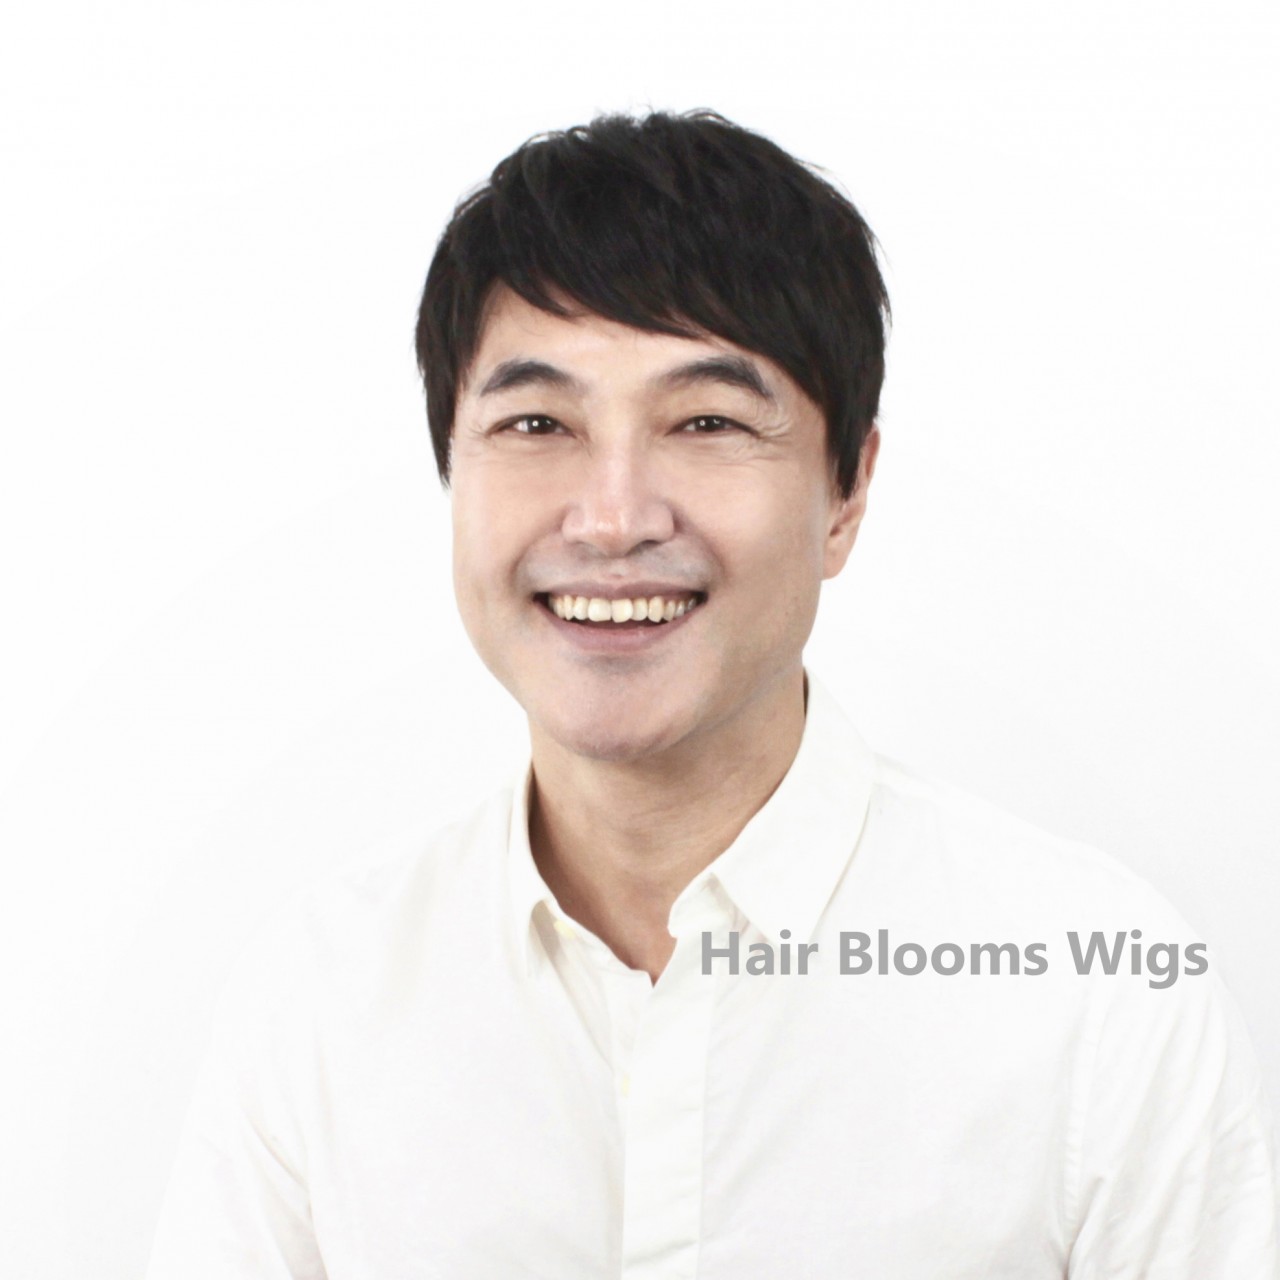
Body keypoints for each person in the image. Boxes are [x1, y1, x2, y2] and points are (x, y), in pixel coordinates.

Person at [146, 109, 1279, 1278]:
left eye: (706, 421)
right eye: (535, 422)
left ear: (844, 494)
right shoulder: (317, 999)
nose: (612, 517)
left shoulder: (1097, 997)